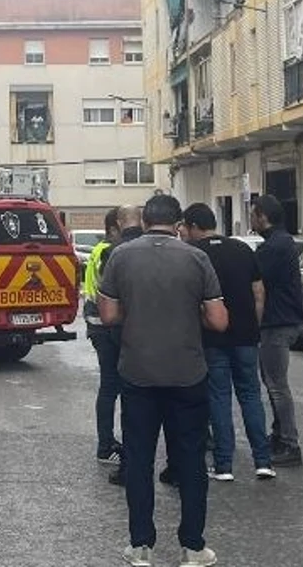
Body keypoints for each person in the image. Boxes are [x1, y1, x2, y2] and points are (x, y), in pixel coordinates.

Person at [98, 193, 227, 567]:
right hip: (187, 374)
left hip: (137, 373)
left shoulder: (121, 256)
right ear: (177, 224)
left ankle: (141, 546)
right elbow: (219, 321)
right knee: (189, 461)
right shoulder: (196, 257)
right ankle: (193, 547)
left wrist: (135, 311)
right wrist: (193, 315)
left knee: (138, 460)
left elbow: (108, 315)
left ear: (144, 220)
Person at [183, 203, 275, 482]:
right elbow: (259, 293)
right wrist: (253, 326)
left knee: (219, 397)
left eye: (186, 228)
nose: (184, 234)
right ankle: (263, 461)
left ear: (194, 226)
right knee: (250, 395)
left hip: (212, 338)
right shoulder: (242, 250)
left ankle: (224, 466)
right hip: (246, 336)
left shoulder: (195, 255)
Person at [252, 193, 303, 466]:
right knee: (273, 382)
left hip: (276, 322)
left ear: (263, 216)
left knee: (276, 385)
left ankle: (289, 442)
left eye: (253, 214)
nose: (251, 219)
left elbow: (257, 281)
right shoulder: (281, 242)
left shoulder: (274, 247)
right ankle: (279, 434)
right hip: (282, 321)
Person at [83, 207, 132, 467]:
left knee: (110, 385)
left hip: (97, 322)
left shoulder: (100, 248)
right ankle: (106, 444)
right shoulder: (109, 250)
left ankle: (108, 443)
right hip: (105, 325)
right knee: (113, 385)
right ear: (116, 226)